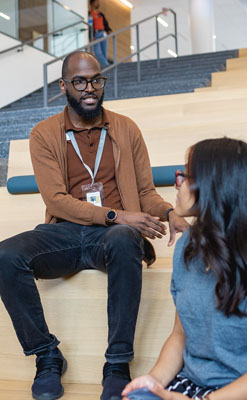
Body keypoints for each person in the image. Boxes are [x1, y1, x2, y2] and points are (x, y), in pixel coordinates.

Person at [0, 51, 188, 400]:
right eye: (80, 81)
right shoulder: (44, 134)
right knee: (5, 255)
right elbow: (55, 200)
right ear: (63, 86)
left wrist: (169, 212)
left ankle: (117, 363)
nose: (90, 88)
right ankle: (46, 356)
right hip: (65, 233)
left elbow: (145, 191)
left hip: (114, 238)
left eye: (96, 80)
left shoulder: (126, 128)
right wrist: (118, 215)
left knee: (123, 240)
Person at [122, 138, 247, 400]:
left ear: (215, 185)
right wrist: (152, 381)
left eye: (186, 175)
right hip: (198, 384)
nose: (179, 183)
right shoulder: (188, 246)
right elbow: (179, 336)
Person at [89, 0, 112, 68]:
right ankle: (107, 66)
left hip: (103, 33)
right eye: (96, 2)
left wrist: (108, 30)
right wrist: (91, 35)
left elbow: (105, 23)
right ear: (92, 3)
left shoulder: (100, 14)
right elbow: (90, 25)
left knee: (104, 52)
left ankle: (104, 67)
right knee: (98, 52)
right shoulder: (89, 13)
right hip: (95, 34)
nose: (97, 3)